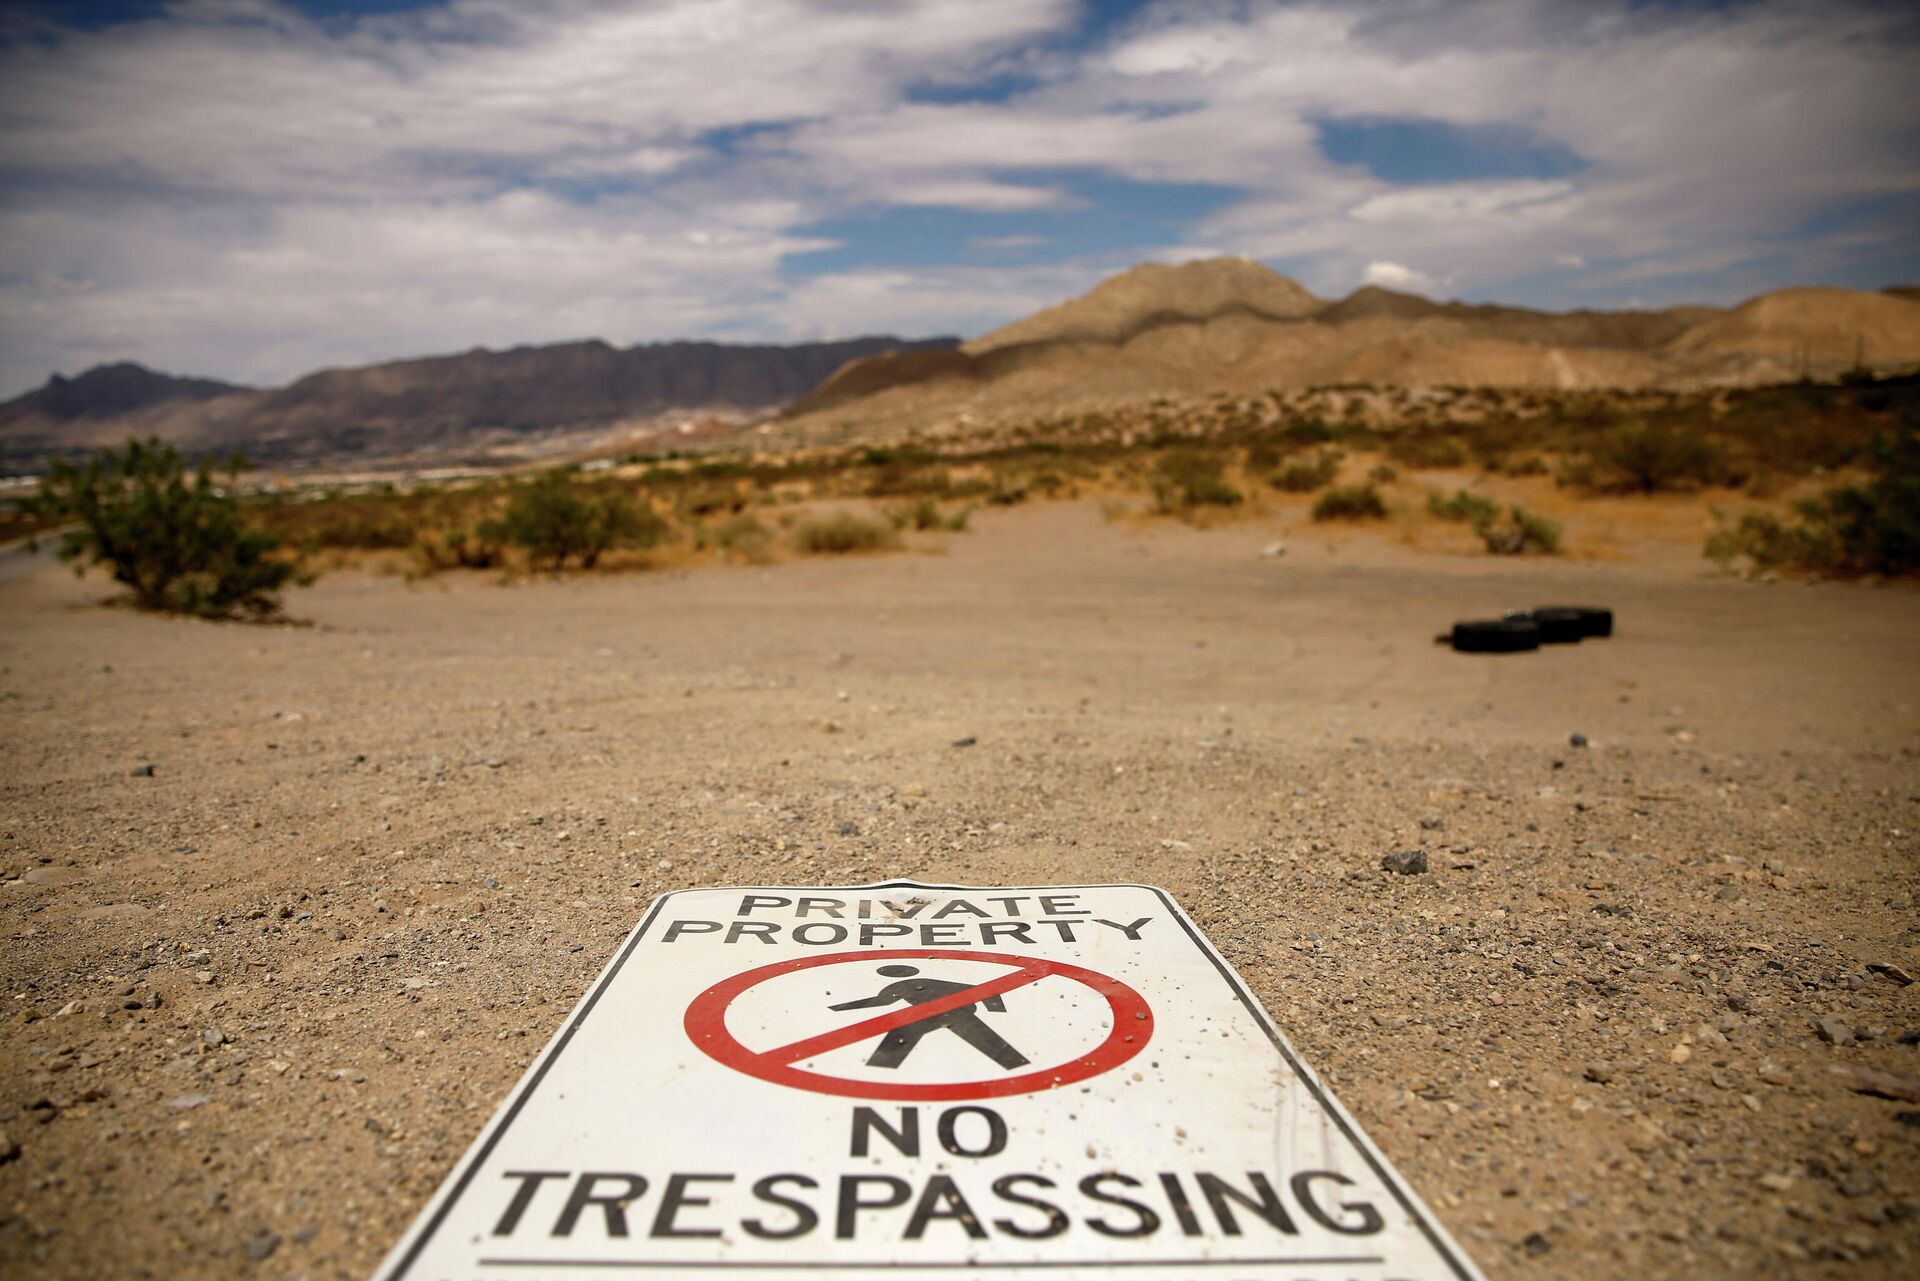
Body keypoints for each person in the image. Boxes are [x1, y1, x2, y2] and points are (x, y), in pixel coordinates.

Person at [829, 964, 1030, 1070]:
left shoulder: (909, 984)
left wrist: (998, 1011)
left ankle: (879, 1071)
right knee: (898, 1036)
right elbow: (882, 1001)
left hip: (956, 1012)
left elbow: (980, 990)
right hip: (929, 1013)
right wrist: (839, 1008)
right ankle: (879, 1072)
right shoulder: (900, 986)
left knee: (984, 1039)